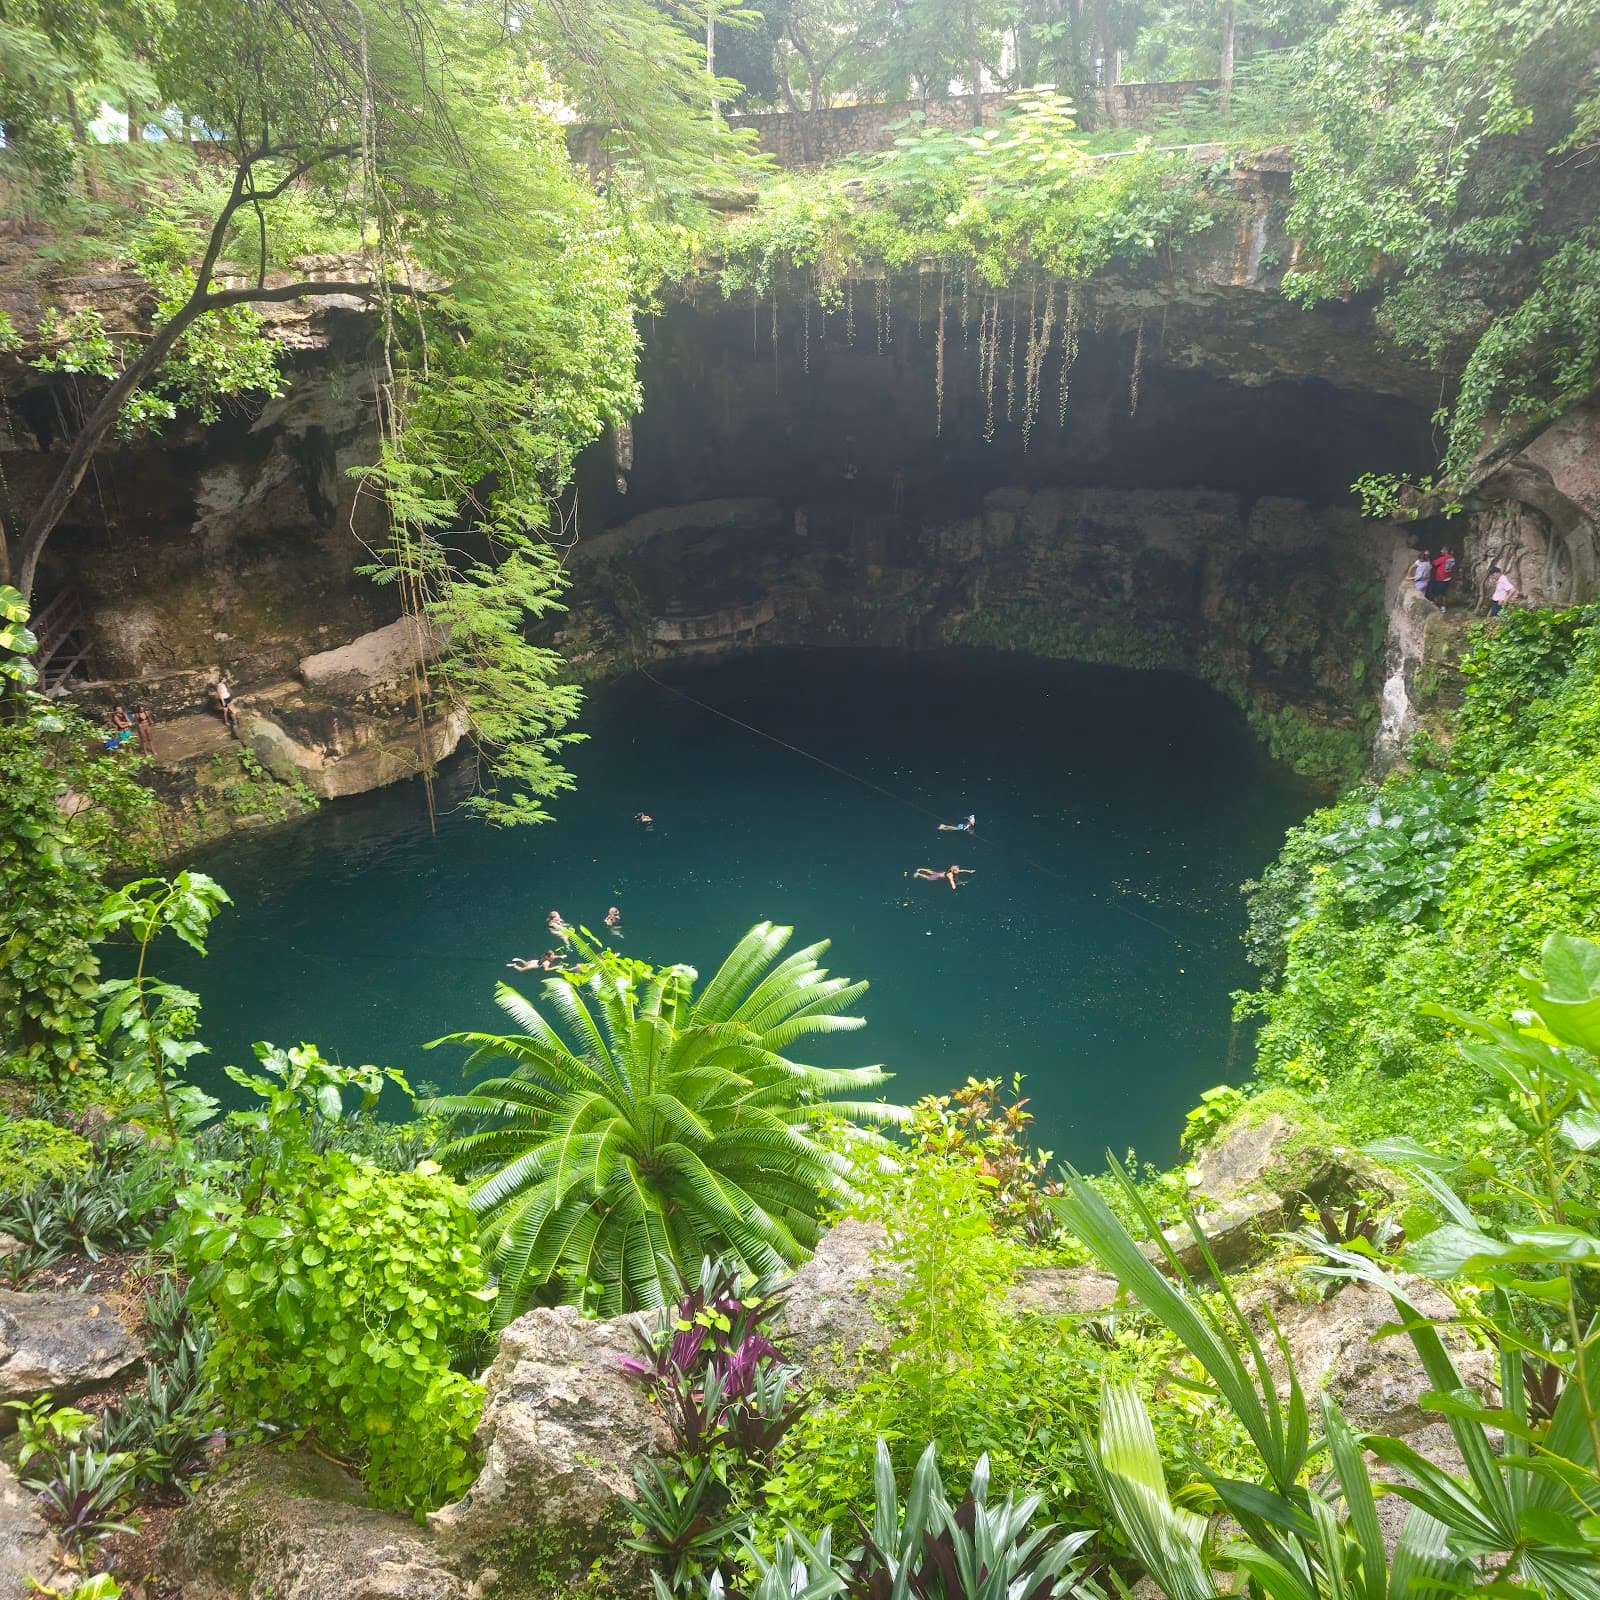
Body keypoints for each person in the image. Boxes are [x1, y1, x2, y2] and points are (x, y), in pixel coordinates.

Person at [1429, 547, 1457, 613]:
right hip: (1448, 578)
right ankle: (1443, 607)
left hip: (1441, 578)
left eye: (1442, 550)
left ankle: (1434, 608)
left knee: (1437, 593)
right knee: (1444, 594)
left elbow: (1434, 563)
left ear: (1446, 551)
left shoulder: (1443, 558)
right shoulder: (1452, 558)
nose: (1441, 551)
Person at [910, 865, 975, 890]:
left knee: (932, 872)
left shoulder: (954, 871)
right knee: (929, 878)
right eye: (957, 871)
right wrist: (953, 886)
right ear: (953, 871)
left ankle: (921, 869)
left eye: (958, 870)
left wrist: (970, 871)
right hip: (938, 876)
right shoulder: (950, 875)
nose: (958, 871)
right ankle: (919, 874)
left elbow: (962, 870)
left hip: (941, 873)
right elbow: (951, 880)